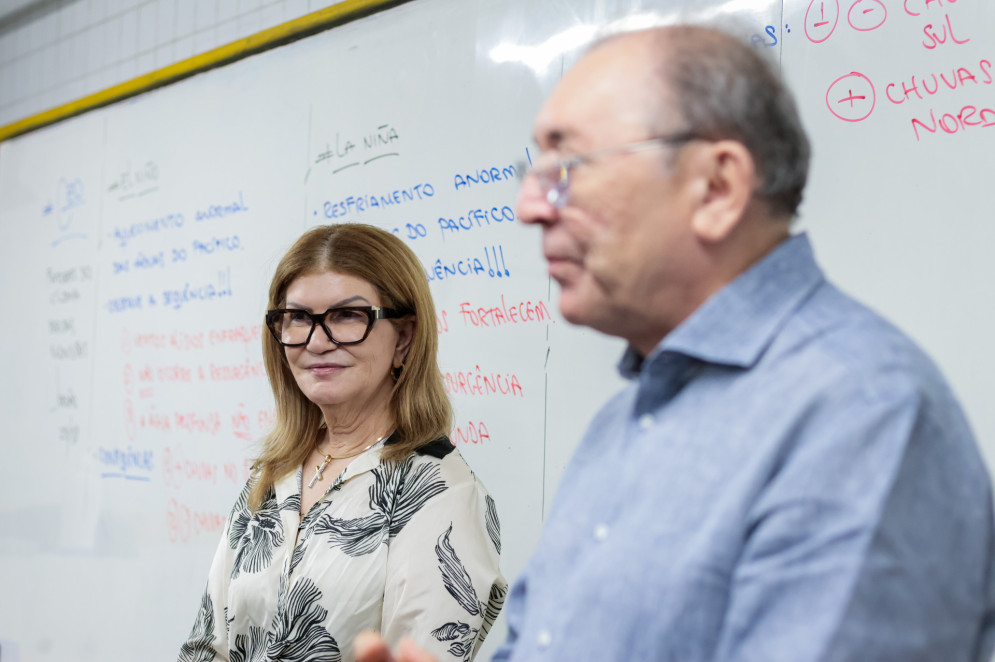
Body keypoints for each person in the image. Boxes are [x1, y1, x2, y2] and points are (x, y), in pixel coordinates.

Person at [356, 23, 995, 662]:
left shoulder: (859, 414)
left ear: (716, 188)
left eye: (567, 166)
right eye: (534, 169)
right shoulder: (624, 425)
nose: (529, 205)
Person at [179, 223, 507, 662]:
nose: (316, 341)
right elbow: (207, 645)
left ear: (404, 338)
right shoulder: (273, 474)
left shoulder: (441, 494)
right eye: (297, 318)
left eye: (347, 316)